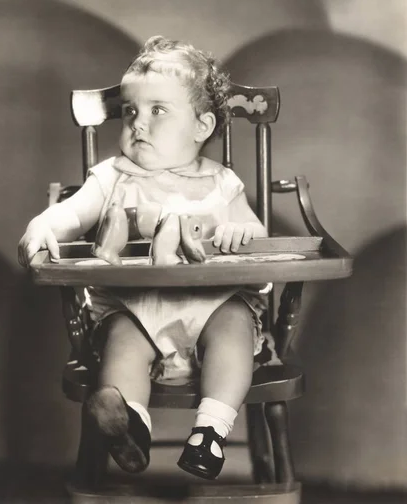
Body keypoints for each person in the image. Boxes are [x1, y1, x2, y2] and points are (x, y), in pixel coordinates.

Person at [18, 36, 270, 481]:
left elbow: (257, 237)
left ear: (201, 126)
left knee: (233, 325)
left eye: (158, 110)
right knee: (122, 341)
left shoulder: (221, 183)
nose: (138, 123)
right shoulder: (112, 177)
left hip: (211, 306)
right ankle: (130, 426)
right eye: (130, 111)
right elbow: (72, 213)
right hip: (136, 307)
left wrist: (242, 230)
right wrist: (44, 223)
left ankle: (210, 432)